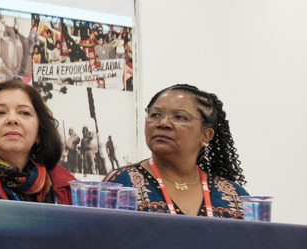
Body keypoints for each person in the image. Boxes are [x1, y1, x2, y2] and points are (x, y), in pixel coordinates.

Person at [105, 84, 248, 216]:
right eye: (155, 115)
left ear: (206, 135)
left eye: (179, 117)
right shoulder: (120, 184)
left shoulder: (235, 197)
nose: (163, 123)